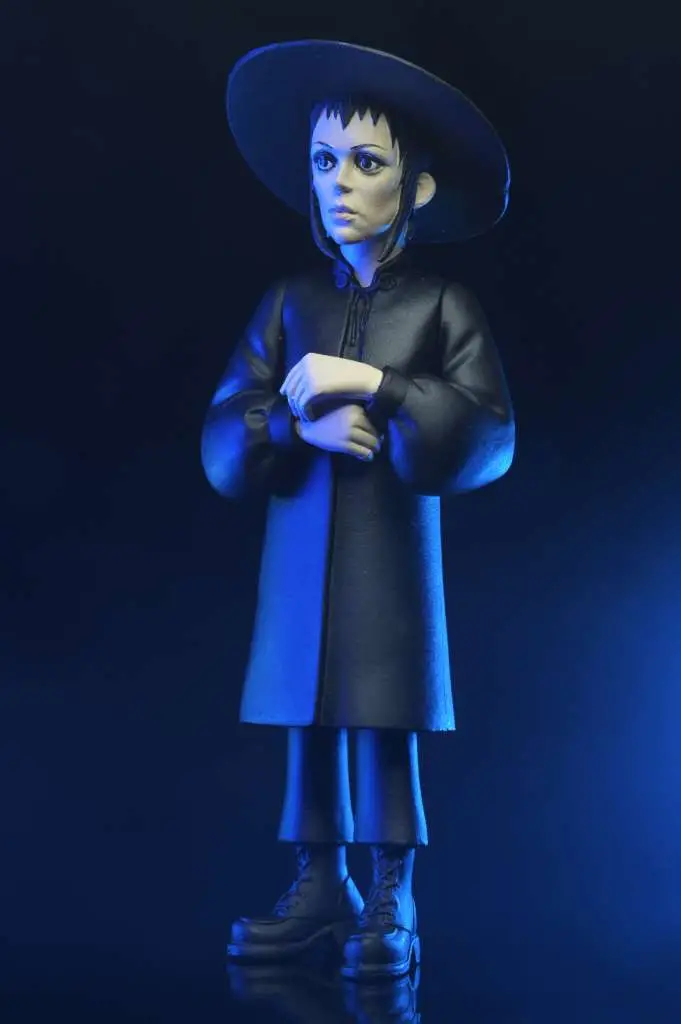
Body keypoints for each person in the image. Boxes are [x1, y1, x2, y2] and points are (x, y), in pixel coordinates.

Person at [201, 40, 516, 981]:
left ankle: (390, 890)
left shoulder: (442, 304)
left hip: (389, 551)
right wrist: (299, 430)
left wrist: (379, 385)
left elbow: (488, 431)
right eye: (324, 160)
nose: (339, 182)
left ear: (416, 189)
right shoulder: (288, 300)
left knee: (384, 713)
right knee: (306, 713)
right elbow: (222, 429)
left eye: (367, 162)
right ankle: (319, 882)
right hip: (301, 547)